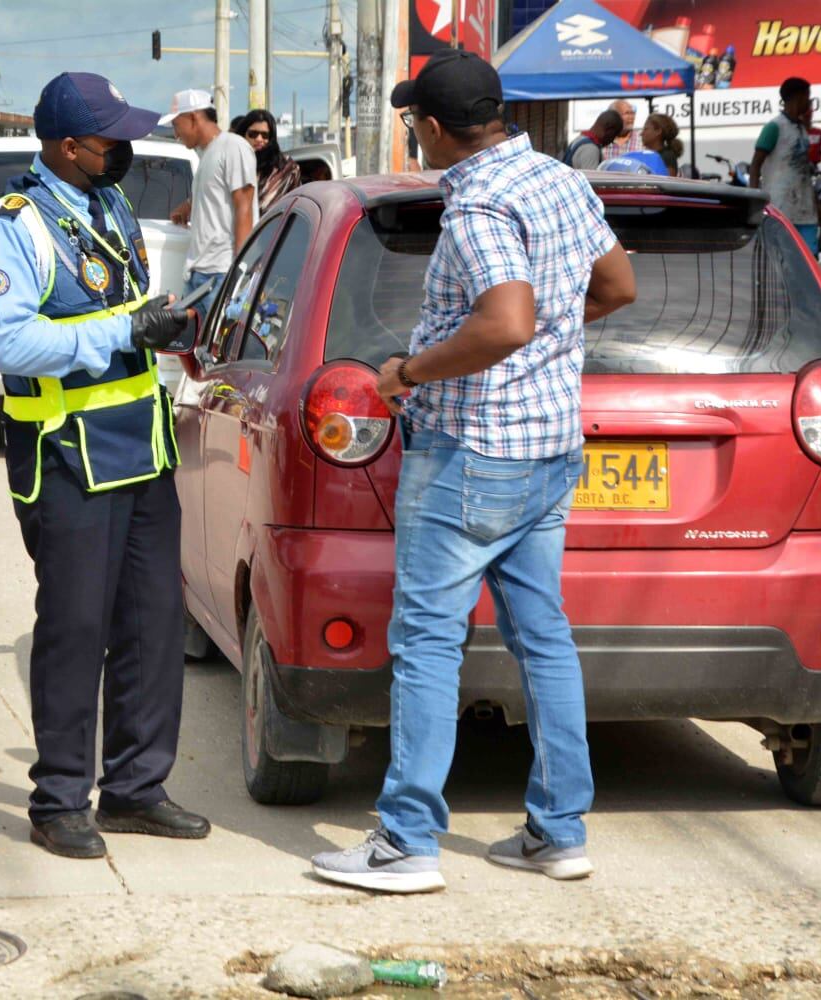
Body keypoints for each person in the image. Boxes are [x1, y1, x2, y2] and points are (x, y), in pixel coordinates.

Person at [309, 49, 636, 894]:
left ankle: (406, 843)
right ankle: (558, 833)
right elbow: (617, 284)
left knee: (426, 643)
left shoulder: (479, 204)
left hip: (473, 451)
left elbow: (506, 321)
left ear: (431, 126)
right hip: (549, 449)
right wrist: (553, 333)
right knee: (543, 637)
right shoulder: (561, 180)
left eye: (412, 120)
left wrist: (407, 374)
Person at [0, 71, 209, 860]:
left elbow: (123, 311)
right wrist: (122, 332)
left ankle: (136, 788)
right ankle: (59, 800)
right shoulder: (17, 224)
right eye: (113, 141)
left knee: (152, 626)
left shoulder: (107, 204)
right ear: (69, 147)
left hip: (141, 445)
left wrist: (166, 326)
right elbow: (11, 343)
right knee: (75, 630)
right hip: (66, 454)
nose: (126, 151)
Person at [164, 89, 256, 317]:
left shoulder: (233, 146)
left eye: (176, 125)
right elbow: (216, 194)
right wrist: (189, 206)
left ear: (193, 118)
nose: (176, 134)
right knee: (194, 341)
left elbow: (244, 206)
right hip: (199, 274)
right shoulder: (207, 153)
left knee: (217, 341)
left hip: (221, 275)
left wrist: (240, 273)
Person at [751, 77, 818, 253]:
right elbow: (755, 165)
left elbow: (805, 172)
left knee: (808, 260)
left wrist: (817, 205)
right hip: (780, 209)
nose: (809, 102)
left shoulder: (802, 130)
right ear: (798, 97)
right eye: (807, 97)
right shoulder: (774, 127)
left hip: (806, 211)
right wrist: (754, 202)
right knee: (782, 260)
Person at [233, 108, 301, 214]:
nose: (259, 139)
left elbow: (296, 205)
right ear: (243, 134)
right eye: (253, 134)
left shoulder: (286, 168)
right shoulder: (234, 163)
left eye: (265, 135)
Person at [602, 113, 682, 176]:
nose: (641, 133)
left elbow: (666, 184)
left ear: (658, 131)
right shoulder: (643, 154)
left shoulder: (667, 156)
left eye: (646, 129)